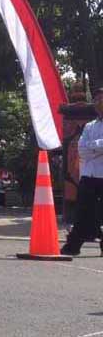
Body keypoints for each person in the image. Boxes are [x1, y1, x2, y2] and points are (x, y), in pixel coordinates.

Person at [61, 88, 103, 256]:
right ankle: (73, 246)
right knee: (83, 212)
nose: (99, 103)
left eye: (102, 99)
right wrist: (96, 147)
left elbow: (90, 147)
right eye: (97, 100)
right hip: (88, 175)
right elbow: (81, 149)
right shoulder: (90, 126)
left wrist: (92, 146)